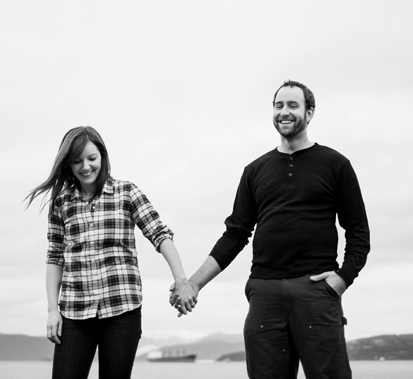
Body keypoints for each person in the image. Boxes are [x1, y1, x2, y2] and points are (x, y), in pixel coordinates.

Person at [171, 80, 370, 379]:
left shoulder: (335, 164)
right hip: (264, 293)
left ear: (310, 113)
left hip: (316, 291)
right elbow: (236, 234)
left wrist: (342, 279)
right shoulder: (254, 170)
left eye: (293, 105)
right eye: (279, 105)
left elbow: (358, 231)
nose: (284, 112)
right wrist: (194, 284)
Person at [25, 126, 196, 379]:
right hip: (74, 312)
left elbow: (160, 235)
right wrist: (52, 310)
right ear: (68, 164)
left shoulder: (127, 192)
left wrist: (182, 281)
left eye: (91, 158)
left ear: (103, 156)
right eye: (77, 161)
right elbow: (55, 258)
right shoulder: (61, 203)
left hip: (122, 311)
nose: (85, 166)